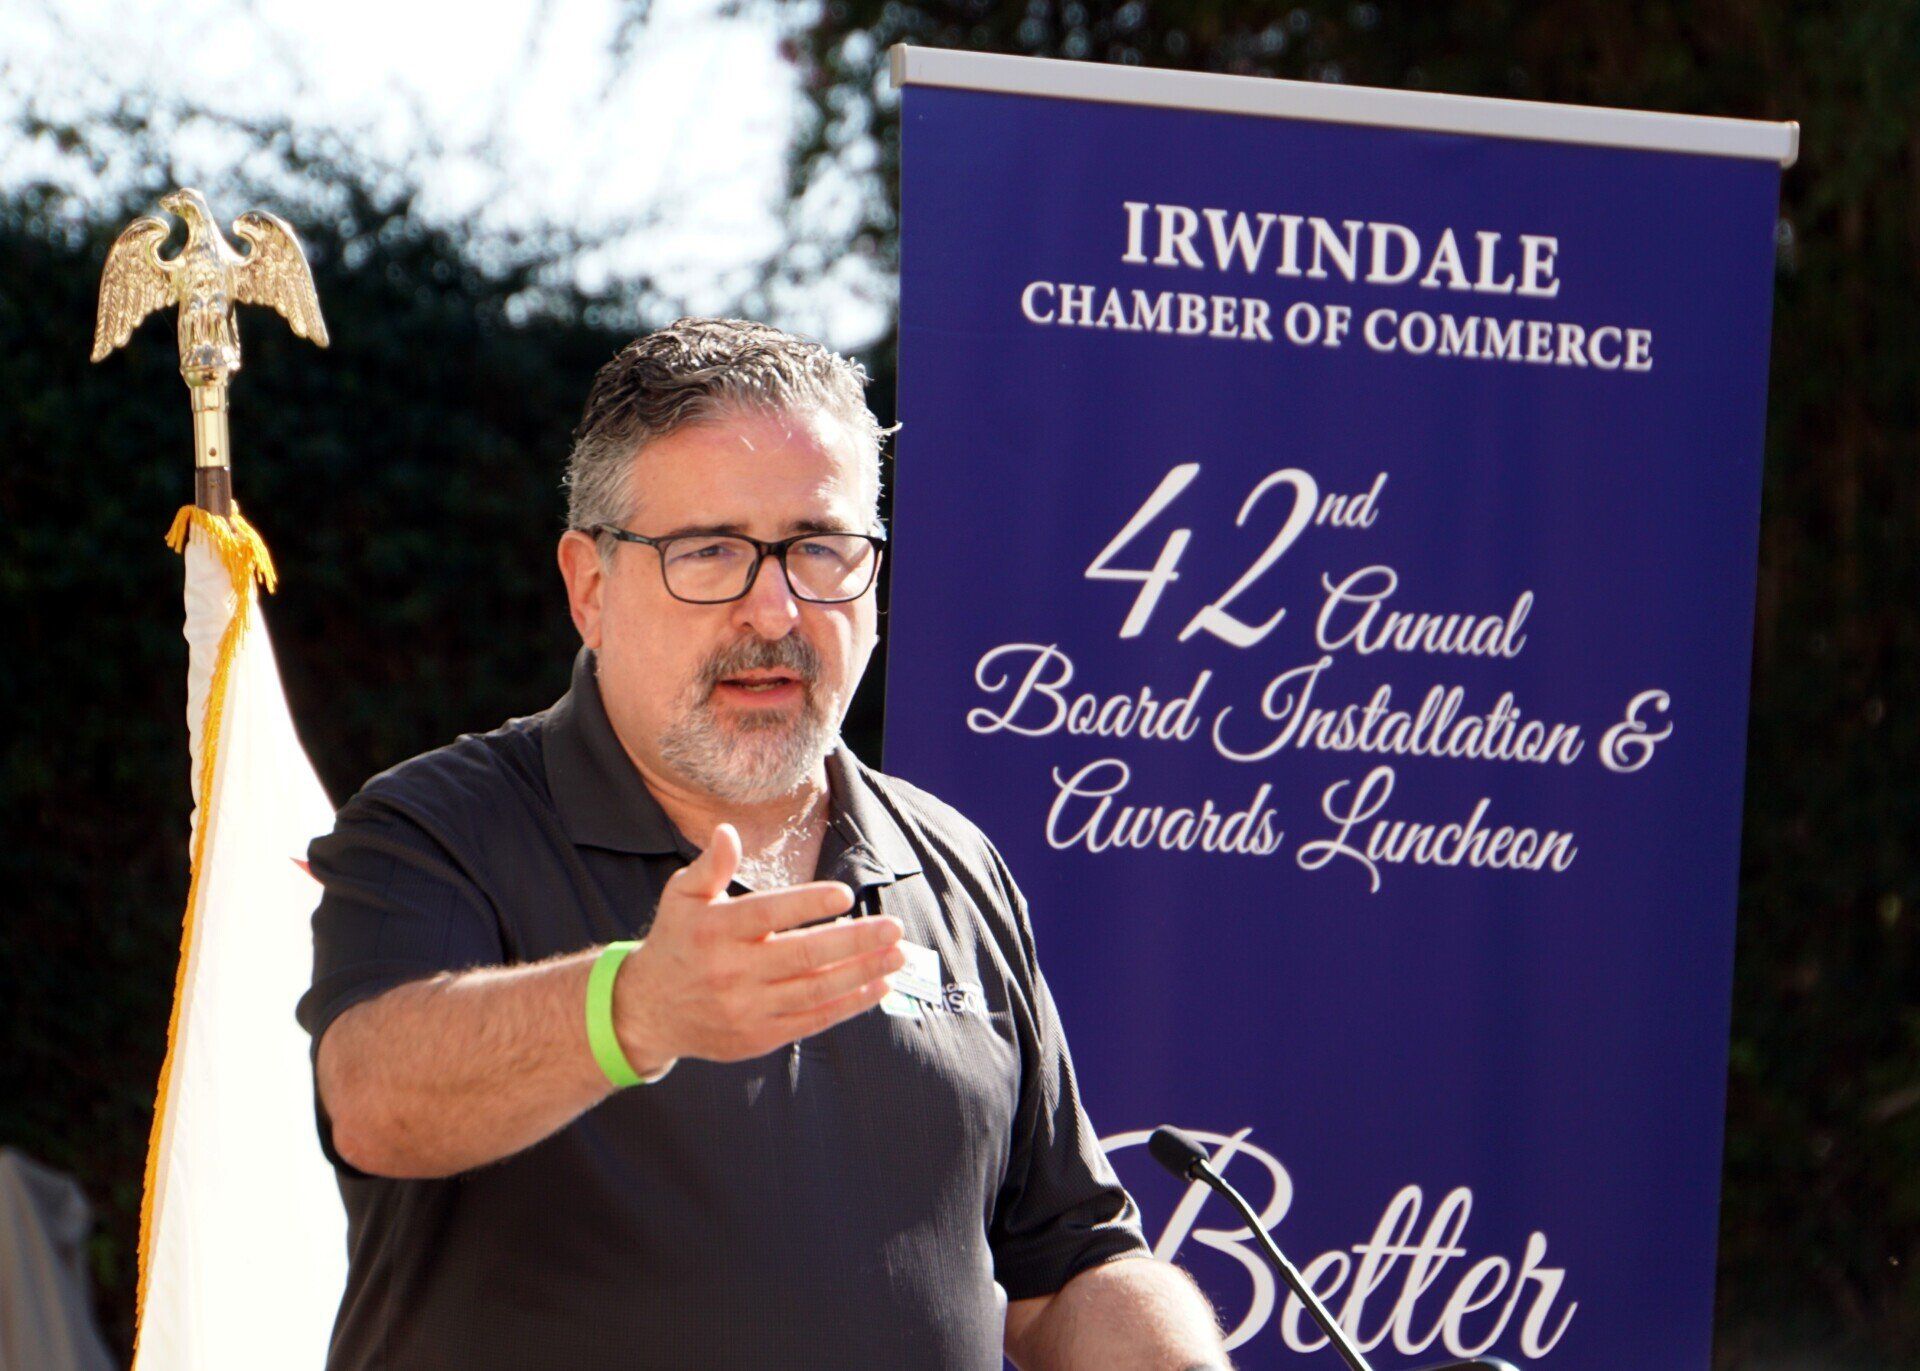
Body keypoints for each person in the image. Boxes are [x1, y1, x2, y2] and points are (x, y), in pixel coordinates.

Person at [299, 318, 1231, 1370]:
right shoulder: (441, 825)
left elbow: (1064, 1268)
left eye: (821, 548)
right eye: (711, 552)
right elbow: (373, 1101)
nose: (775, 606)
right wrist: (635, 1008)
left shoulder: (953, 865)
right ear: (590, 586)